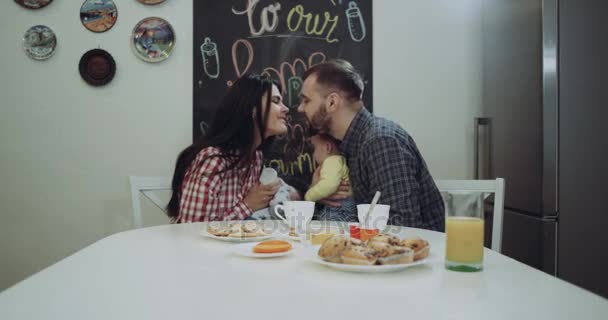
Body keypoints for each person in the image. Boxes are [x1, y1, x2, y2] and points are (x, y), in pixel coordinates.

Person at [297, 59, 445, 231]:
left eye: (306, 101)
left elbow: (402, 227)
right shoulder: (349, 144)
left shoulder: (381, 141)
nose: (300, 108)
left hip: (413, 254)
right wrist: (322, 194)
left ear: (332, 102)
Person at [167, 74, 289, 222]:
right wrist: (248, 205)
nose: (286, 108)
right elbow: (192, 228)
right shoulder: (213, 159)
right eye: (276, 101)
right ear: (252, 109)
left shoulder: (256, 158)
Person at [305, 134, 357, 222]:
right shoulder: (339, 161)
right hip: (344, 208)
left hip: (339, 209)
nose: (313, 156)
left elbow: (329, 185)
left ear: (328, 147)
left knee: (328, 230)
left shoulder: (331, 161)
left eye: (313, 149)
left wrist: (309, 196)